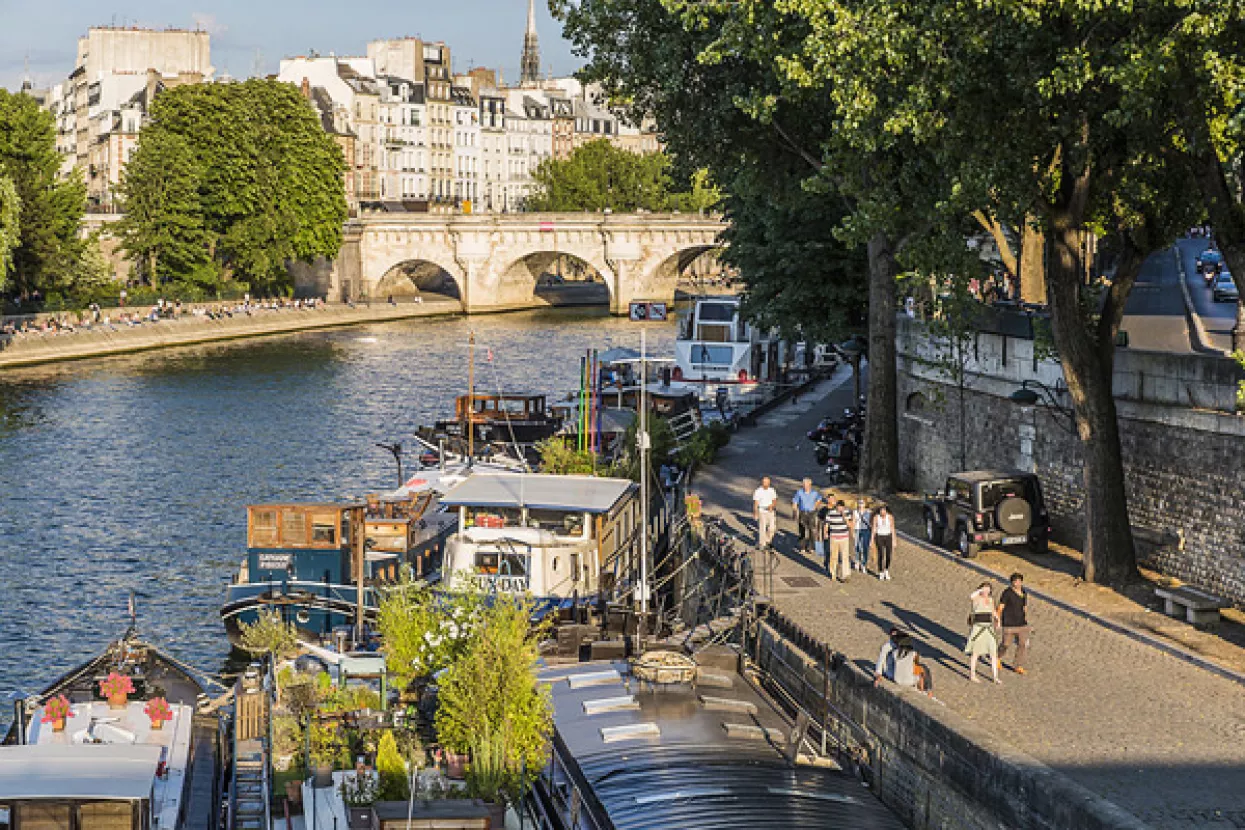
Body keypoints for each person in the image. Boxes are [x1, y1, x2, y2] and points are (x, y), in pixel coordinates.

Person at [965, 583, 1002, 684]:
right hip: (978, 627)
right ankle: (972, 675)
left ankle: (995, 677)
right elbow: (971, 596)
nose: (986, 591)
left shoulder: (990, 600)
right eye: (985, 588)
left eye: (988, 589)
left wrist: (998, 620)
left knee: (993, 652)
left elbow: (993, 611)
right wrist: (980, 591)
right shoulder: (976, 598)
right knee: (975, 652)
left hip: (988, 628)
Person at [874, 628, 931, 693]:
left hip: (895, 676)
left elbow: (881, 660)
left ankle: (925, 689)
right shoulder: (889, 647)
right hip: (892, 671)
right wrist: (878, 674)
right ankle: (926, 690)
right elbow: (881, 660)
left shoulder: (895, 652)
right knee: (923, 670)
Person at [997, 572, 1031, 675]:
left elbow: (1024, 607)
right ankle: (997, 657)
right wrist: (998, 620)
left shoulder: (1023, 592)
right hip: (1009, 624)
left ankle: (1018, 665)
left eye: (1019, 581)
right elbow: (1000, 607)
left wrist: (1026, 619)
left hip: (1021, 624)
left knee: (1022, 644)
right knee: (1005, 644)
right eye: (1015, 581)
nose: (1017, 583)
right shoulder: (1007, 593)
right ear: (1012, 582)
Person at [792, 478, 823, 554]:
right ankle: (802, 546)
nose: (805, 486)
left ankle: (811, 547)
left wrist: (815, 506)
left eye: (806, 484)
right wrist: (794, 512)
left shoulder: (814, 493)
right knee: (802, 529)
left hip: (812, 513)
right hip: (802, 512)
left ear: (810, 485)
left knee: (812, 530)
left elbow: (819, 499)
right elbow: (795, 502)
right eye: (804, 484)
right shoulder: (799, 492)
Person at [823, 499, 852, 581]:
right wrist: (825, 533)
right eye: (838, 507)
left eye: (841, 507)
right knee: (833, 556)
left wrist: (844, 516)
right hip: (834, 537)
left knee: (845, 556)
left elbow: (850, 525)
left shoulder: (847, 513)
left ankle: (845, 575)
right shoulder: (830, 513)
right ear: (836, 506)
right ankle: (833, 573)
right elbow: (826, 524)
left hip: (844, 538)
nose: (840, 508)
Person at [753, 476, 778, 549]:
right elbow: (756, 503)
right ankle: (762, 544)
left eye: (767, 482)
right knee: (762, 528)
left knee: (772, 528)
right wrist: (755, 513)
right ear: (762, 483)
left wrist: (772, 506)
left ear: (769, 483)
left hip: (770, 511)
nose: (765, 484)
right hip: (762, 511)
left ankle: (767, 540)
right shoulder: (758, 491)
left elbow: (774, 500)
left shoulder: (772, 490)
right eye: (764, 482)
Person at [872, 504, 895, 580]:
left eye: (884, 510)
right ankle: (881, 571)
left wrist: (894, 539)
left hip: (888, 536)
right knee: (880, 554)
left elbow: (892, 528)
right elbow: (874, 528)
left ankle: (886, 569)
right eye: (881, 510)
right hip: (879, 536)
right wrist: (871, 539)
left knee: (888, 554)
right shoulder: (876, 517)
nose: (882, 512)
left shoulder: (890, 517)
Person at [851, 499, 872, 573]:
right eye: (859, 503)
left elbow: (871, 522)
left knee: (865, 547)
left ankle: (864, 564)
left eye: (862, 503)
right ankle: (857, 561)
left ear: (865, 504)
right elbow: (853, 522)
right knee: (857, 546)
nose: (860, 504)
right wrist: (852, 531)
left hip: (866, 530)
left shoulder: (869, 512)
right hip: (857, 529)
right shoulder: (855, 512)